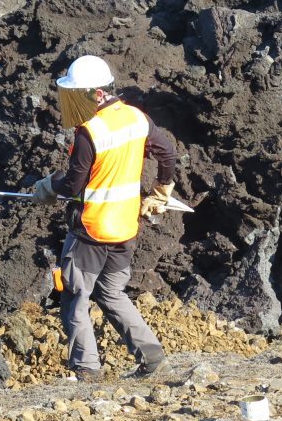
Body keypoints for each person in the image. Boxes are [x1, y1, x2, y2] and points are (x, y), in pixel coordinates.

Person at [31, 54, 178, 381]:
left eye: (76, 95)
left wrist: (47, 186)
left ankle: (87, 372)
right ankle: (154, 360)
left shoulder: (89, 132)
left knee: (75, 298)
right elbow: (167, 151)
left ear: (96, 93)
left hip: (91, 231)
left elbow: (73, 184)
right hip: (125, 229)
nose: (71, 101)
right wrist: (162, 188)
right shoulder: (135, 117)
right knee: (112, 294)